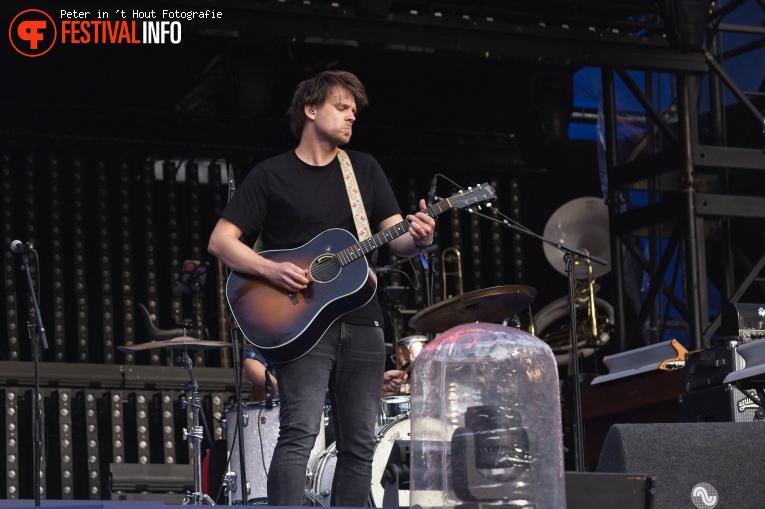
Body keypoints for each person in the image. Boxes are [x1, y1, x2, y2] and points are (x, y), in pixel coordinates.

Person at [208, 69, 434, 507]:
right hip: (299, 323)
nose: (352, 118)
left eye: (354, 111)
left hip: (362, 319)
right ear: (311, 110)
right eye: (342, 108)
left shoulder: (363, 170)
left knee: (359, 443)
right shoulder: (270, 176)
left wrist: (420, 237)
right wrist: (271, 272)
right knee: (298, 433)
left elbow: (397, 239)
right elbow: (221, 241)